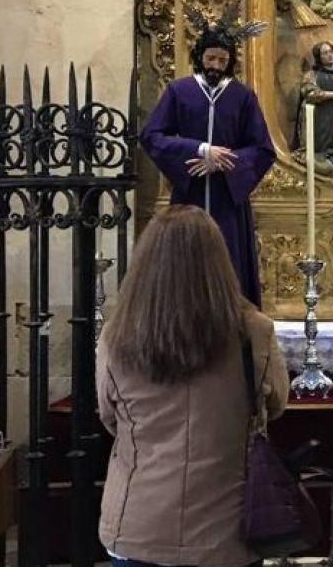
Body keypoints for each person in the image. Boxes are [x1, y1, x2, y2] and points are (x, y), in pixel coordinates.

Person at [97, 205, 289, 567]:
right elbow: (276, 403)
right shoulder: (253, 332)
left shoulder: (116, 336)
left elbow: (109, 417)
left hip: (139, 522)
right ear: (220, 261)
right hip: (225, 529)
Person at [141, 6, 276, 306]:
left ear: (230, 63)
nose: (215, 65)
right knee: (186, 271)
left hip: (228, 200)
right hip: (189, 196)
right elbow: (152, 136)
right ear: (200, 57)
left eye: (222, 60)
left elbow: (263, 149)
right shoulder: (180, 91)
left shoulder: (243, 97)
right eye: (211, 58)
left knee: (228, 267)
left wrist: (226, 162)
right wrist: (199, 150)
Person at [292, 40, 333, 171]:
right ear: (319, 57)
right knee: (318, 145)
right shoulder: (312, 75)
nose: (329, 55)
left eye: (331, 52)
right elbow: (311, 94)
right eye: (325, 53)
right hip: (318, 116)